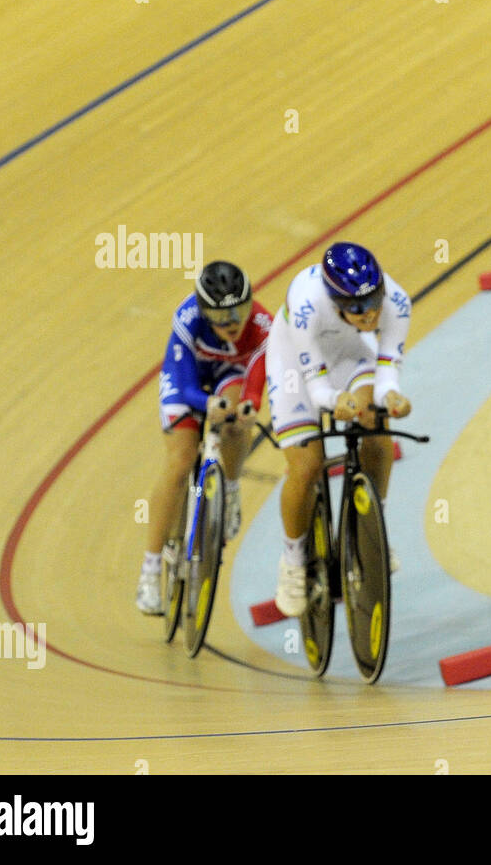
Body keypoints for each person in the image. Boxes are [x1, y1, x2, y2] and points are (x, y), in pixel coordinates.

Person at [265, 241, 412, 617]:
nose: (371, 313)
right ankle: (293, 561)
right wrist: (337, 402)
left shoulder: (397, 303)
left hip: (349, 353)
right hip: (294, 364)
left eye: (374, 300)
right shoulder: (306, 305)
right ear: (335, 303)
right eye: (358, 308)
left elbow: (386, 372)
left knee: (377, 430)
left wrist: (391, 397)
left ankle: (369, 528)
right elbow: (317, 390)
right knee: (307, 465)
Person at [136, 261, 271, 614]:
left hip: (232, 373)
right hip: (188, 378)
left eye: (238, 313)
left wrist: (250, 405)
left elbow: (258, 378)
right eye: (221, 318)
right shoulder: (188, 318)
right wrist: (205, 403)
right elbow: (182, 384)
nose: (231, 324)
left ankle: (230, 485)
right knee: (180, 463)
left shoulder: (261, 325)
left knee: (238, 417)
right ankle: (149, 572)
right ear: (204, 312)